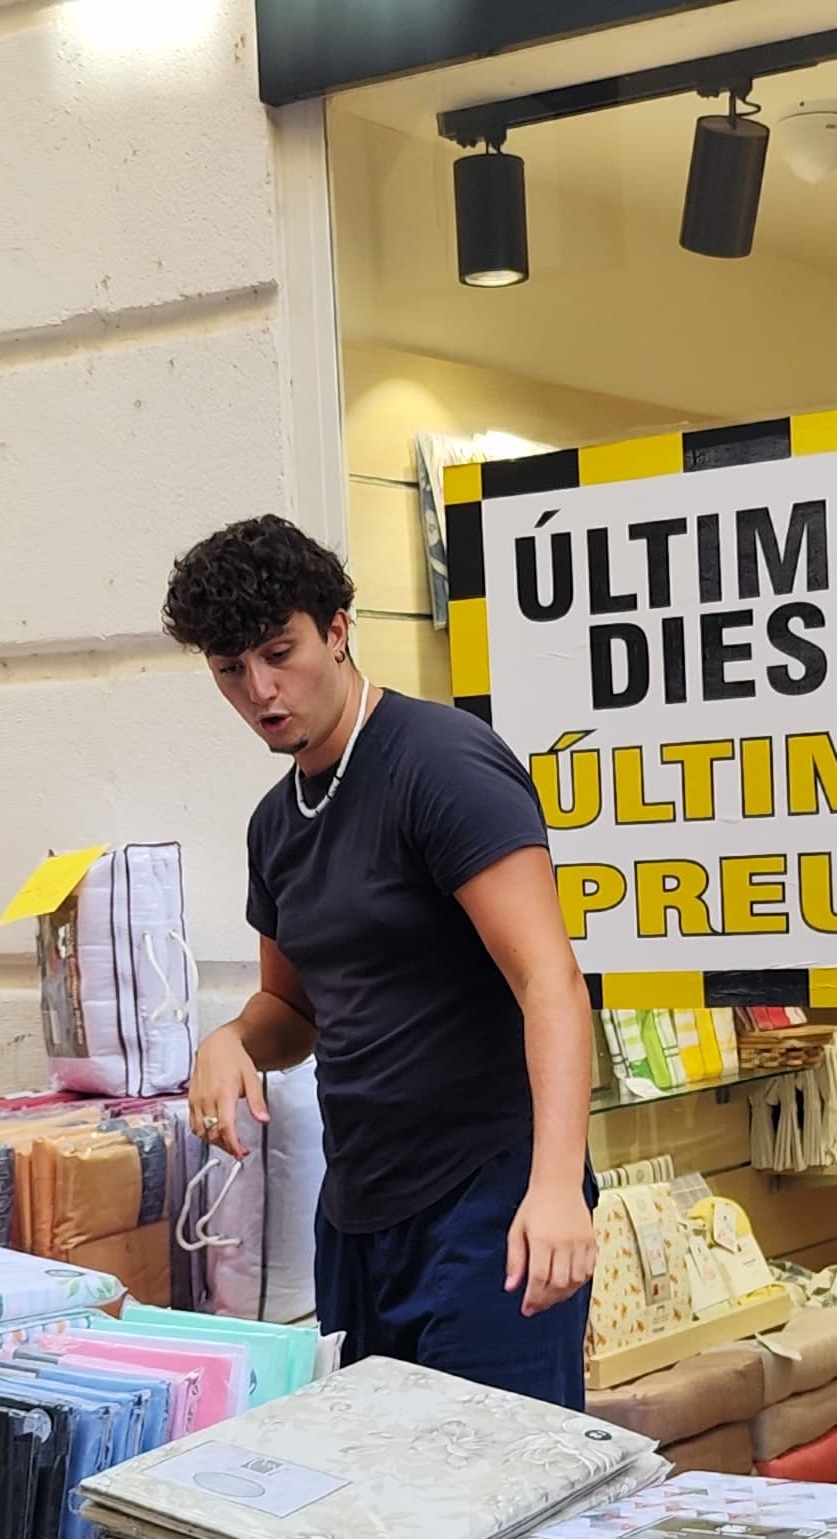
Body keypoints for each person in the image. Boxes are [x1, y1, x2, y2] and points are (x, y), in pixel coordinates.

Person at [169, 515, 598, 1403]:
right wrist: (231, 1041)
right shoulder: (275, 821)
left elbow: (548, 979)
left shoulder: (441, 764)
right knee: (380, 1502)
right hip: (359, 1210)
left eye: (278, 652)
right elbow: (293, 1012)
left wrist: (557, 1187)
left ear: (337, 629)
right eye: (229, 671)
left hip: (489, 1198)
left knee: (494, 1494)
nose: (260, 690)